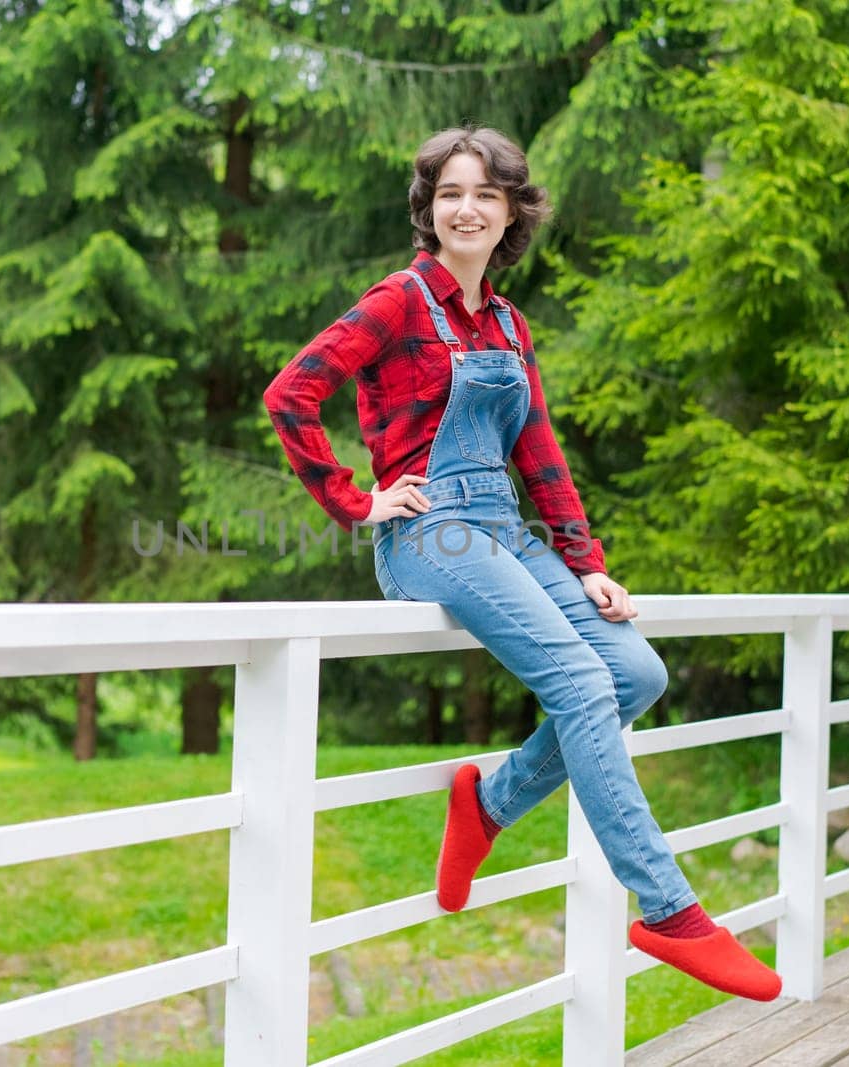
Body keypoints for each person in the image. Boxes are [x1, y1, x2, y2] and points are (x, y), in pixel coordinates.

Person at [262, 126, 780, 1002]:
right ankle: (670, 908)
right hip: (432, 537)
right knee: (581, 685)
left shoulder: (506, 322)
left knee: (635, 672)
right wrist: (357, 501)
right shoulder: (396, 301)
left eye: (486, 195)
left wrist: (586, 564)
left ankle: (489, 802)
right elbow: (292, 392)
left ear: (510, 214)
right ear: (430, 209)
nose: (467, 208)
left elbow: (538, 450)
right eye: (451, 193)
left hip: (505, 531)